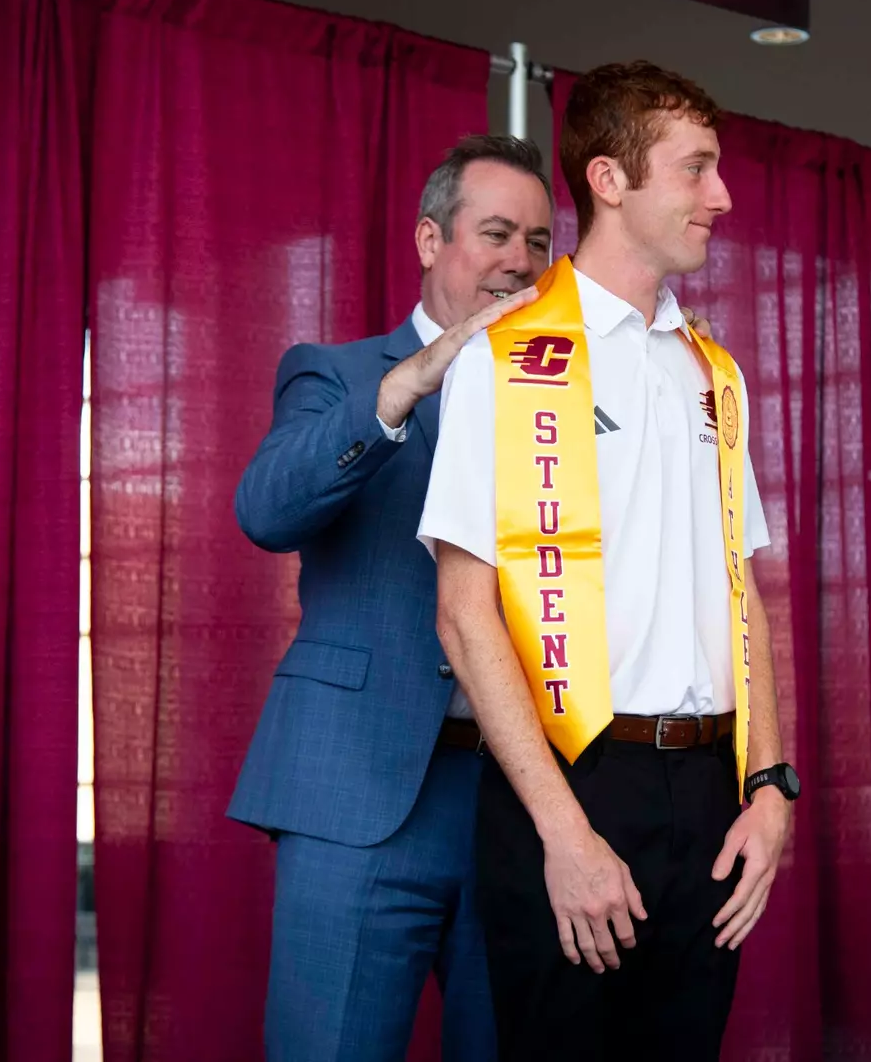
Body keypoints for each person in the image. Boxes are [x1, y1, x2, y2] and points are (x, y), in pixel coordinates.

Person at [418, 62, 800, 1061]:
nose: (721, 196)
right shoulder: (505, 354)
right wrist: (566, 832)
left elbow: (743, 593)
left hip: (710, 791)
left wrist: (770, 785)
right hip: (573, 782)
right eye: (698, 169)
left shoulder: (710, 368)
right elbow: (465, 613)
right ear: (609, 179)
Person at [225, 135, 551, 1062]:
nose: (519, 260)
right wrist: (407, 385)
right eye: (496, 232)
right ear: (428, 239)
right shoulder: (333, 371)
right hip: (357, 797)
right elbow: (264, 509)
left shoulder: (562, 404)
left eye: (537, 241)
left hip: (518, 801)